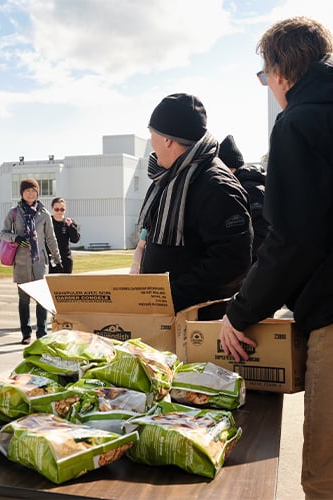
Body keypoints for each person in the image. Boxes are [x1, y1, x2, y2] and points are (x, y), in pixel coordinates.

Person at [219, 17, 333, 499]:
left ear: (282, 71)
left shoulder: (298, 123)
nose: (269, 88)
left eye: (265, 76)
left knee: (325, 475)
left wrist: (241, 313)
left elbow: (292, 240)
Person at [138, 93, 252, 317]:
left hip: (196, 321)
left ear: (167, 139)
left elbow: (231, 261)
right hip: (166, 314)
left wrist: (172, 295)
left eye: (152, 134)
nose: (150, 142)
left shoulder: (215, 184)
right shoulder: (170, 178)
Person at [1, 178, 63, 344]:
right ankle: (26, 333)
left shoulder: (44, 214)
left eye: (33, 190)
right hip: (21, 262)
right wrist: (16, 238)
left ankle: (41, 333)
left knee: (42, 299)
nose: (30, 193)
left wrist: (57, 257)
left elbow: (51, 238)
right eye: (27, 190)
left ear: (37, 192)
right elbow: (4, 233)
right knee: (23, 300)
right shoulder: (14, 213)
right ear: (22, 192)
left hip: (40, 262)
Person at [219, 134, 269, 262]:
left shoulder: (250, 189)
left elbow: (262, 232)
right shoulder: (248, 185)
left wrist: (240, 261)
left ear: (230, 168)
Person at [48, 197, 80, 273]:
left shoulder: (69, 222)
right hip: (51, 259)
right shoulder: (48, 222)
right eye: (57, 209)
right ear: (52, 209)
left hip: (65, 259)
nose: (59, 212)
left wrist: (71, 227)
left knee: (66, 283)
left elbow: (75, 240)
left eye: (62, 209)